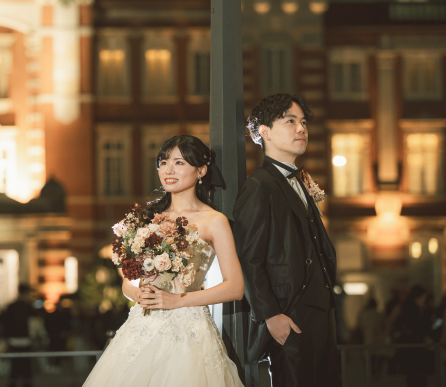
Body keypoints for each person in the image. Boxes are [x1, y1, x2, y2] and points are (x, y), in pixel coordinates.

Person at [82, 135, 245, 387]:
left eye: (179, 163)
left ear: (201, 170)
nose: (168, 170)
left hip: (188, 328)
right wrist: (138, 294)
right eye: (164, 162)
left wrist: (177, 300)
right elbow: (128, 283)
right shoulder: (146, 218)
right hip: (142, 327)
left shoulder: (214, 221)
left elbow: (235, 287)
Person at [234, 94, 340, 387]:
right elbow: (248, 257)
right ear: (265, 132)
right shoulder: (259, 186)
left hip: (322, 314)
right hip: (289, 315)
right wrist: (271, 316)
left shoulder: (301, 183)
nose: (301, 129)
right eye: (290, 121)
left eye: (303, 122)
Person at [4, 284, 35, 387]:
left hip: (13, 339)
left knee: (14, 364)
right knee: (26, 365)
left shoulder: (11, 306)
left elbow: (6, 323)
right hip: (26, 339)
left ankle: (13, 383)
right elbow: (33, 323)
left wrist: (6, 337)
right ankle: (26, 383)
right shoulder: (28, 307)